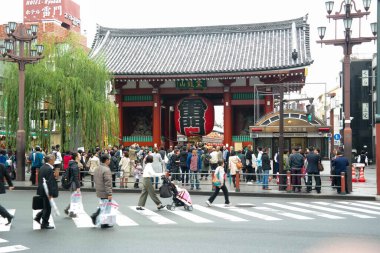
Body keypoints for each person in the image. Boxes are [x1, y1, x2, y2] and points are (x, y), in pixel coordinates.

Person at [34, 154, 58, 229]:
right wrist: (50, 193)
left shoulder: (42, 167)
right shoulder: (49, 169)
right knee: (48, 208)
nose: (54, 161)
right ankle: (44, 223)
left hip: (42, 189)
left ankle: (38, 217)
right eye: (54, 160)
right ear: (50, 160)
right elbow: (50, 183)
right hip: (46, 191)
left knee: (46, 206)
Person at [90, 154, 113, 228]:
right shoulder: (106, 169)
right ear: (106, 160)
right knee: (106, 207)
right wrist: (109, 193)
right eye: (109, 159)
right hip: (105, 191)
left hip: (99, 190)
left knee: (103, 205)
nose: (109, 161)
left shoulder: (97, 168)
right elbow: (108, 183)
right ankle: (103, 222)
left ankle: (96, 216)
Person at [64, 152, 81, 218]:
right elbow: (75, 177)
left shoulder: (72, 164)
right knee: (75, 199)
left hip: (72, 183)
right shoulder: (74, 165)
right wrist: (78, 186)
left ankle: (67, 209)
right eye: (79, 155)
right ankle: (71, 212)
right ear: (76, 157)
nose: (80, 156)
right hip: (74, 184)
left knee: (74, 198)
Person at [0, 161, 14, 226]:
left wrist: (10, 185)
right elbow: (7, 176)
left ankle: (8, 216)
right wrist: (10, 185)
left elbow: (7, 176)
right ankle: (8, 215)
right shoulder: (2, 165)